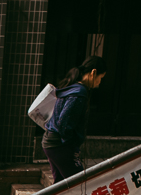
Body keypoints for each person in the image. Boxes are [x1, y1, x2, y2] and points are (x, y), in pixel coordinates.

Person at [42, 55, 107, 184]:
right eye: (100, 78)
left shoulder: (71, 87)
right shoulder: (79, 93)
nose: (99, 83)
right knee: (79, 185)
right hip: (60, 145)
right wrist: (72, 147)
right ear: (93, 72)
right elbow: (64, 124)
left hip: (50, 142)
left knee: (60, 185)